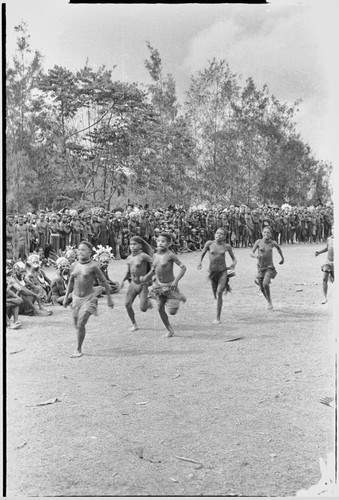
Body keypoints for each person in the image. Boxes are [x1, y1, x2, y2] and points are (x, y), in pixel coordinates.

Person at [63, 241, 114, 358]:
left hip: (89, 298)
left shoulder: (93, 266)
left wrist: (109, 299)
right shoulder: (74, 265)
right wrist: (66, 297)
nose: (80, 252)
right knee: (77, 324)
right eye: (79, 250)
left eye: (83, 250)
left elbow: (104, 282)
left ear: (90, 253)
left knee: (81, 324)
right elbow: (71, 282)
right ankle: (80, 337)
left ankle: (78, 348)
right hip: (76, 299)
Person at [140, 232, 186, 338]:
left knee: (172, 311)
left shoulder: (170, 255)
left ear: (169, 243)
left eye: (163, 241)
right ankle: (169, 330)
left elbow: (183, 268)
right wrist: (146, 277)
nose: (160, 243)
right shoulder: (155, 255)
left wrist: (176, 281)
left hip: (170, 286)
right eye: (159, 241)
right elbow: (153, 270)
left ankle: (179, 296)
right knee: (160, 307)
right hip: (158, 286)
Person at [197, 227, 237, 325]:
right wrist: (200, 262)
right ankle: (216, 292)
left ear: (224, 237)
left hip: (223, 272)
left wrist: (233, 265)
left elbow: (234, 259)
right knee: (215, 293)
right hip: (212, 273)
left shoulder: (227, 246)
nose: (218, 235)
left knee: (219, 292)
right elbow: (202, 253)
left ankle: (218, 318)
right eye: (217, 233)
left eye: (221, 234)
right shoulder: (209, 244)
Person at [120, 236, 154, 331]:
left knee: (143, 309)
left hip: (143, 284)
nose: (132, 246)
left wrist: (149, 276)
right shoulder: (129, 258)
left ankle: (147, 301)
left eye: (135, 244)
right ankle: (134, 325)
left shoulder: (143, 256)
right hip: (133, 284)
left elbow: (154, 264)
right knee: (127, 304)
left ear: (140, 246)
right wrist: (123, 280)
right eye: (131, 244)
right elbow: (128, 272)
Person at [250, 226, 284, 310]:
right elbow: (251, 253)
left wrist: (282, 258)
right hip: (260, 268)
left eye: (268, 232)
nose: (266, 234)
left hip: (269, 267)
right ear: (262, 233)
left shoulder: (272, 243)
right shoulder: (258, 242)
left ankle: (269, 302)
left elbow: (279, 248)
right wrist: (255, 256)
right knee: (262, 288)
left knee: (265, 283)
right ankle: (268, 300)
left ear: (271, 235)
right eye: (264, 232)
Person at [315, 226, 334, 304]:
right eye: (332, 229)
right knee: (324, 279)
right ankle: (325, 297)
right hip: (328, 261)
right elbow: (327, 248)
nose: (333, 230)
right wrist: (319, 252)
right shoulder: (329, 239)